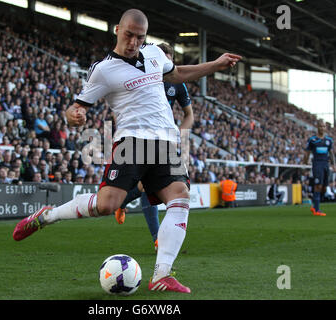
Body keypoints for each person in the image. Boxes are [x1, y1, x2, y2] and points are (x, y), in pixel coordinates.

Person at [12, 8, 241, 294]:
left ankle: (162, 274)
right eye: (129, 35)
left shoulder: (157, 54)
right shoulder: (103, 70)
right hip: (131, 142)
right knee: (108, 204)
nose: (133, 42)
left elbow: (178, 74)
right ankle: (47, 217)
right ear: (118, 30)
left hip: (166, 142)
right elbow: (77, 106)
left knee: (180, 196)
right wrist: (74, 116)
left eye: (140, 37)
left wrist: (215, 65)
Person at [114, 43, 194, 251]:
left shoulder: (177, 84)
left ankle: (122, 202)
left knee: (181, 186)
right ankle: (158, 237)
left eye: (168, 60)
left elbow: (189, 115)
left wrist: (180, 135)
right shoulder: (142, 79)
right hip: (144, 137)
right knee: (146, 186)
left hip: (168, 139)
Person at [303, 120, 335, 216]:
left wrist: (333, 164)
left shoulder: (329, 140)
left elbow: (331, 153)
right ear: (317, 127)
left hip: (326, 165)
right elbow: (307, 152)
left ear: (325, 128)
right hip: (317, 164)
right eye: (320, 126)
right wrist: (305, 162)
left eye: (324, 126)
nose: (322, 128)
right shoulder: (312, 140)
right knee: (318, 186)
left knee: (324, 188)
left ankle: (314, 206)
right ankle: (316, 209)